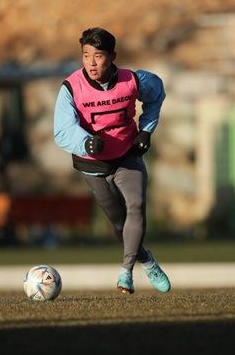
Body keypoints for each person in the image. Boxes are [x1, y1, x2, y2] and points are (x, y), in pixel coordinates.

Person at [53, 27, 170, 294]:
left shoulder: (133, 80)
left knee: (136, 207)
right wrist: (85, 142)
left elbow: (157, 93)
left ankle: (125, 273)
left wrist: (146, 129)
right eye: (86, 56)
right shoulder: (71, 87)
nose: (91, 63)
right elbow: (61, 129)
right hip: (93, 165)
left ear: (113, 56)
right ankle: (147, 260)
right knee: (120, 225)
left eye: (98, 56)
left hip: (127, 155)